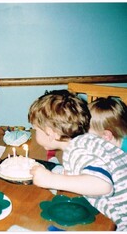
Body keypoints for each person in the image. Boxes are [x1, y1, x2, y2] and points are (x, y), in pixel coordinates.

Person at [28, 89, 127, 231]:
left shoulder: (78, 151)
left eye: (36, 129)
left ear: (50, 134)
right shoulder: (87, 141)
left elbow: (103, 185)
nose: (35, 132)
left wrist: (51, 180)